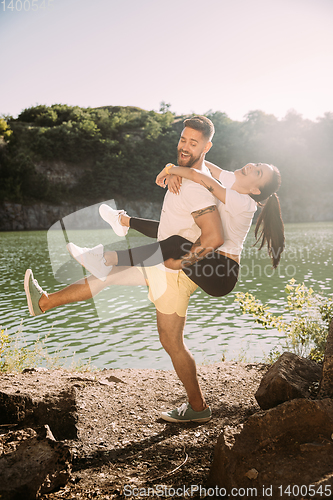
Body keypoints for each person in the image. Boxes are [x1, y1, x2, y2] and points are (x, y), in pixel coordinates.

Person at [24, 116, 284, 424]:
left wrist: (174, 170)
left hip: (221, 272)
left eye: (258, 171)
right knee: (149, 288)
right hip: (202, 265)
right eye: (255, 163)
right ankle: (45, 302)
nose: (251, 165)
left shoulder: (244, 203)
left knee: (170, 256)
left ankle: (107, 255)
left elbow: (204, 181)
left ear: (256, 189)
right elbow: (207, 167)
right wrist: (177, 167)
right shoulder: (230, 179)